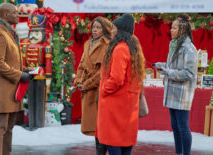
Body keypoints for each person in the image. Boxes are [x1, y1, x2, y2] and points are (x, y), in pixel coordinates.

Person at [0, 3, 32, 155]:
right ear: (5, 15)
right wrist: (19, 75)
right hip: (2, 90)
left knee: (9, 128)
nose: (18, 15)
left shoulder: (9, 32)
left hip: (10, 90)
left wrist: (26, 71)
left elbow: (10, 62)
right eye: (15, 13)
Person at [97, 14, 146, 155]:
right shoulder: (134, 47)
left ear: (120, 31)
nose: (111, 31)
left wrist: (105, 91)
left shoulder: (119, 49)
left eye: (114, 28)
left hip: (115, 105)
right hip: (128, 104)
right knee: (125, 145)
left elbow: (117, 78)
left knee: (112, 143)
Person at [154, 14, 197, 155]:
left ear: (183, 30)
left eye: (174, 28)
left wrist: (169, 73)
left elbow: (189, 73)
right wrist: (162, 66)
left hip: (182, 93)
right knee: (175, 126)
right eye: (171, 28)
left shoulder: (189, 48)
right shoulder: (174, 45)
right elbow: (172, 66)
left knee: (183, 127)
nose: (171, 30)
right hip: (172, 92)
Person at [74, 16, 113, 155]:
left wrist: (87, 84)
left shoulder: (107, 44)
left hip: (98, 89)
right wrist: (78, 81)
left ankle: (102, 152)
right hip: (86, 87)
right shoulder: (88, 43)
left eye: (98, 27)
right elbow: (81, 64)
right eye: (93, 27)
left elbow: (103, 70)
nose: (94, 30)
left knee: (100, 126)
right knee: (95, 127)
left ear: (105, 29)